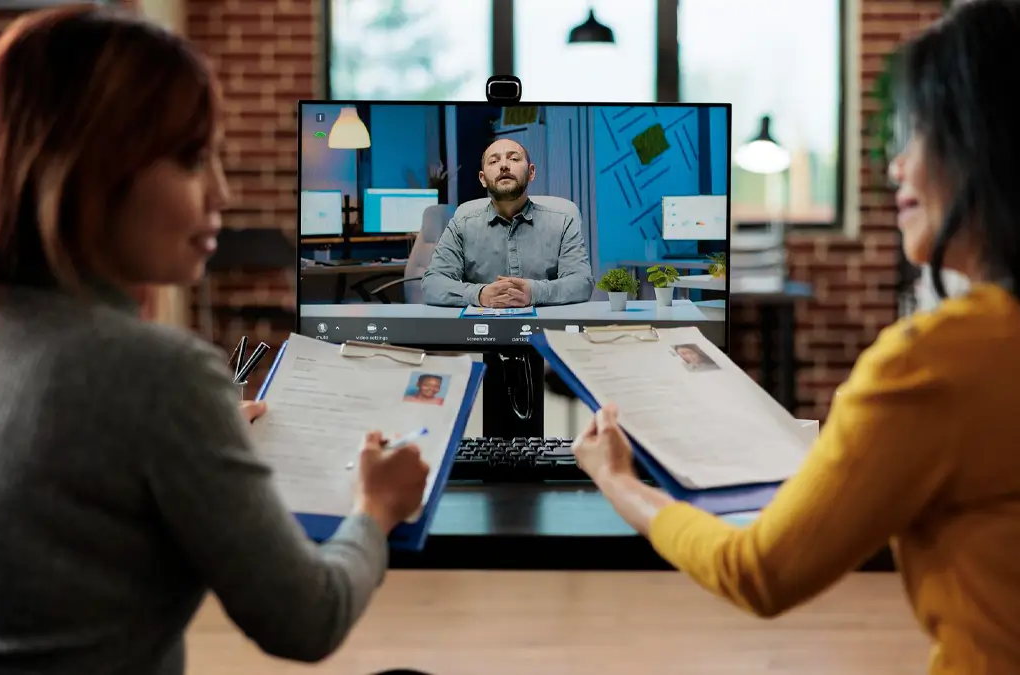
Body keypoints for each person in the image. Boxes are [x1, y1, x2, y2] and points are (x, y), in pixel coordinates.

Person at [0, 7, 429, 674]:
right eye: (191, 159)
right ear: (89, 168)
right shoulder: (156, 372)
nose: (221, 193)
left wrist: (205, 432)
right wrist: (376, 505)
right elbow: (308, 618)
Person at [571, 1, 1020, 671]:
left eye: (917, 133)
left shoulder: (938, 361)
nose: (895, 167)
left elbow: (759, 570)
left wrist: (619, 480)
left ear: (979, 143)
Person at [421, 138, 593, 307]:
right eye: (494, 161)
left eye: (514, 158)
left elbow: (582, 282)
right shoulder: (462, 225)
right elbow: (432, 284)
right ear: (482, 178)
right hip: (482, 328)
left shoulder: (562, 222)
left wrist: (534, 292)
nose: (504, 165)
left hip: (545, 329)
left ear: (531, 172)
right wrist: (479, 295)